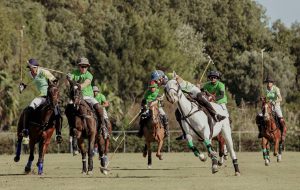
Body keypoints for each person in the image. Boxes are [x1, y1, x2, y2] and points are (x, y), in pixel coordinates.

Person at [66, 57, 107, 146]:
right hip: (76, 97)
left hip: (87, 96)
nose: (83, 68)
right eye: (82, 66)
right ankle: (71, 127)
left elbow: (86, 84)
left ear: (87, 67)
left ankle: (103, 127)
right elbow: (67, 83)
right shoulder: (74, 73)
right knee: (67, 109)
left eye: (85, 66)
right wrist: (68, 79)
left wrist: (79, 86)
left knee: (99, 107)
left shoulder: (89, 75)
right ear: (79, 66)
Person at [173, 73, 226, 140]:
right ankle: (184, 133)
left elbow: (221, 95)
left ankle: (216, 115)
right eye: (211, 77)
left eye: (214, 77)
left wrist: (176, 77)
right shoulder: (207, 85)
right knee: (177, 112)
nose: (213, 79)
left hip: (218, 101)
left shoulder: (221, 85)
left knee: (202, 99)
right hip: (197, 99)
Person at [19, 58, 61, 142]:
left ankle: (58, 134)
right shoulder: (29, 74)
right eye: (30, 68)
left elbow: (54, 81)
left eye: (32, 68)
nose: (32, 70)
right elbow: (25, 84)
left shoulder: (43, 72)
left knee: (57, 113)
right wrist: (22, 87)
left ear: (36, 67)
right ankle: (25, 131)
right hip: (39, 97)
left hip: (49, 97)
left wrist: (53, 90)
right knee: (28, 110)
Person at [256, 75, 287, 142]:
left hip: (276, 106)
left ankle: (283, 133)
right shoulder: (266, 89)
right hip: (267, 106)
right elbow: (265, 98)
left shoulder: (276, 89)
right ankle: (261, 132)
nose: (268, 83)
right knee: (258, 116)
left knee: (281, 119)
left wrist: (273, 101)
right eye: (267, 82)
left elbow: (280, 99)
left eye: (270, 82)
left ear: (272, 83)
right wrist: (262, 99)